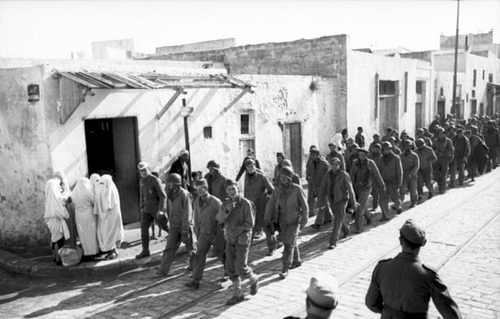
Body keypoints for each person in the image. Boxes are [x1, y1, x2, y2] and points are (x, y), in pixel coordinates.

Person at [365, 219, 462, 319]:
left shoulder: (382, 267)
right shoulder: (428, 275)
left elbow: (371, 303)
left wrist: (389, 312)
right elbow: (453, 316)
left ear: (400, 240)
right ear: (424, 243)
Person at [216, 179, 259, 305]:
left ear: (238, 189)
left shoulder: (245, 204)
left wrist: (236, 230)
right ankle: (238, 293)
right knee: (230, 268)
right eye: (229, 189)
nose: (231, 192)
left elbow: (250, 224)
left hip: (242, 239)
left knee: (241, 267)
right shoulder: (225, 204)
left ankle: (253, 278)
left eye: (233, 189)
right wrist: (227, 211)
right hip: (229, 239)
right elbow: (219, 219)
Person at [265, 166, 308, 279]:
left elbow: (304, 207)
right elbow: (271, 203)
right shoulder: (277, 190)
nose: (283, 179)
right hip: (281, 221)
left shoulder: (297, 189)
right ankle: (296, 260)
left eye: (285, 177)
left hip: (294, 221)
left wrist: (304, 221)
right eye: (281, 177)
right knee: (289, 240)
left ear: (290, 178)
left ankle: (285, 267)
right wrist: (267, 217)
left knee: (288, 244)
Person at [185, 179, 224, 289]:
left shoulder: (215, 202)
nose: (199, 191)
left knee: (221, 254)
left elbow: (222, 218)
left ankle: (231, 273)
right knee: (199, 256)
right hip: (203, 234)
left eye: (202, 189)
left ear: (206, 188)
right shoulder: (197, 201)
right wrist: (197, 232)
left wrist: (219, 234)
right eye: (197, 189)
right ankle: (195, 280)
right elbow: (196, 218)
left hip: (216, 234)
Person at [157, 173, 195, 276]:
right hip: (174, 226)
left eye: (170, 182)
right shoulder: (169, 194)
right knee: (169, 248)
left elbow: (188, 213)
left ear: (176, 184)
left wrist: (185, 230)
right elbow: (168, 208)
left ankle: (195, 266)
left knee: (191, 249)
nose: (168, 184)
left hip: (185, 226)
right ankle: (163, 270)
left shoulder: (185, 195)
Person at [317, 158, 356, 249]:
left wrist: (352, 202)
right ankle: (346, 230)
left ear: (339, 165)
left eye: (336, 164)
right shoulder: (327, 175)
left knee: (337, 220)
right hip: (332, 200)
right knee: (338, 218)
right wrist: (320, 199)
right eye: (332, 164)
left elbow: (350, 189)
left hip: (341, 200)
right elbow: (323, 187)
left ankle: (333, 241)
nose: (334, 166)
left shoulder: (344, 175)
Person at [136, 162, 167, 259]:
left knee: (165, 226)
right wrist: (142, 206)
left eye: (145, 170)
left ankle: (181, 240)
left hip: (156, 208)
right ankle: (145, 250)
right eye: (141, 171)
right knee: (144, 229)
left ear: (149, 169)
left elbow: (163, 196)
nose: (143, 172)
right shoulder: (142, 180)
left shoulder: (155, 180)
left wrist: (161, 210)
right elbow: (142, 194)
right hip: (146, 208)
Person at [350, 148, 385, 233]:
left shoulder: (371, 163)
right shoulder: (355, 163)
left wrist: (382, 185)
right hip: (356, 187)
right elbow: (351, 175)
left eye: (363, 155)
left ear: (366, 155)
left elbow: (377, 174)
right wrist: (350, 187)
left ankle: (359, 227)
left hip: (366, 188)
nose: (361, 157)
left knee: (359, 207)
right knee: (362, 206)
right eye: (359, 155)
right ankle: (369, 216)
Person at [93, 175, 125, 260]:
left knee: (112, 234)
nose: (101, 185)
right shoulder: (107, 189)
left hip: (112, 216)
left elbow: (107, 205)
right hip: (109, 216)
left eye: (103, 183)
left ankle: (114, 252)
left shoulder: (111, 190)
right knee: (108, 233)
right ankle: (112, 251)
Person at [243, 158, 274, 244]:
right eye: (248, 167)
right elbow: (246, 192)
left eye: (252, 166)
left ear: (255, 166)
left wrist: (268, 203)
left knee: (267, 229)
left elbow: (271, 190)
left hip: (262, 209)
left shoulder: (262, 177)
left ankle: (272, 247)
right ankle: (247, 249)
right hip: (251, 209)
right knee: (250, 229)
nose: (250, 168)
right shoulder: (246, 177)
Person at [44, 178, 71, 265]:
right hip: (56, 219)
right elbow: (60, 210)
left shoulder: (48, 198)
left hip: (50, 219)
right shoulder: (55, 197)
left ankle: (54, 256)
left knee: (53, 238)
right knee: (58, 239)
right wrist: (66, 215)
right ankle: (58, 258)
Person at [72, 176, 99, 258]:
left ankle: (86, 252)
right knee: (91, 233)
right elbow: (95, 200)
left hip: (78, 216)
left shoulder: (74, 193)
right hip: (88, 215)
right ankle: (93, 252)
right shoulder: (87, 192)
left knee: (83, 234)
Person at [307, 146, 332, 228]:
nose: (312, 156)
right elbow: (308, 174)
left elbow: (329, 176)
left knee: (321, 204)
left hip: (323, 187)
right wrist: (309, 178)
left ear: (318, 155)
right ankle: (328, 217)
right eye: (311, 155)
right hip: (315, 186)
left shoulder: (324, 164)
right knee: (323, 203)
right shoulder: (311, 164)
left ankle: (318, 223)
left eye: (314, 155)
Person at [377, 142, 403, 218]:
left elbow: (399, 171)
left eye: (387, 149)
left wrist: (399, 182)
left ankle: (398, 207)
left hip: (393, 181)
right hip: (384, 182)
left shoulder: (396, 158)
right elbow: (379, 170)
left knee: (395, 197)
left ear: (390, 149)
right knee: (383, 200)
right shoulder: (381, 159)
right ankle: (385, 215)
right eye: (384, 149)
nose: (386, 150)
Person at [433, 128, 455, 194]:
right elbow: (432, 149)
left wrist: (445, 153)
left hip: (444, 159)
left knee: (443, 174)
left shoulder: (448, 141)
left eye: (442, 133)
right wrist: (436, 152)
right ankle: (440, 184)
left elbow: (452, 150)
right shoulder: (435, 141)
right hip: (437, 159)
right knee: (435, 174)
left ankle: (442, 188)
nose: (441, 134)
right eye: (439, 133)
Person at [399, 140, 420, 208]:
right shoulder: (401, 156)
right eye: (405, 146)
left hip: (412, 175)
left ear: (411, 146)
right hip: (403, 174)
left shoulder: (414, 156)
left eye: (408, 146)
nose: (407, 147)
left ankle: (414, 202)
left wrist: (412, 173)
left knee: (413, 189)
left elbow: (417, 165)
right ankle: (400, 203)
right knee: (402, 189)